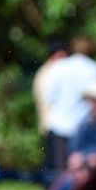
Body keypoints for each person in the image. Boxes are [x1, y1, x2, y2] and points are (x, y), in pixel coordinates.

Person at [44, 36, 96, 179]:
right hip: (83, 127)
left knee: (59, 175)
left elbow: (50, 98)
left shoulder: (58, 67)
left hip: (59, 126)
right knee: (82, 177)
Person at [33, 40, 68, 182]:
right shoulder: (46, 74)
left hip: (59, 125)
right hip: (52, 126)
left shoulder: (59, 72)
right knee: (55, 166)